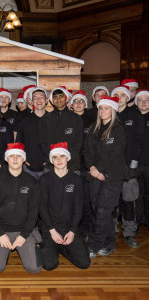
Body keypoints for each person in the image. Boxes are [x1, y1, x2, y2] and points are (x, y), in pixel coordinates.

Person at [0, 143, 42, 275]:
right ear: (6, 159)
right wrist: (0, 233)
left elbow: (34, 212)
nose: (15, 159)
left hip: (23, 231)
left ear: (23, 159)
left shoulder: (31, 182)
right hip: (2, 231)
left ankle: (32, 242)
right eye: (12, 156)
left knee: (34, 269)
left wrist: (24, 235)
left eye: (18, 156)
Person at [83, 95, 127, 258]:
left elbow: (114, 154)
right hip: (95, 175)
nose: (103, 111)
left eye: (106, 108)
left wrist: (99, 170)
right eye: (101, 108)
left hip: (112, 177)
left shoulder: (119, 128)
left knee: (102, 211)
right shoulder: (94, 127)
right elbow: (86, 151)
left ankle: (93, 246)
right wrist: (92, 168)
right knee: (98, 210)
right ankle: (109, 244)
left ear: (113, 110)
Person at [39, 142, 90, 270]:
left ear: (68, 157)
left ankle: (62, 247)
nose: (59, 160)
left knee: (84, 263)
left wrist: (72, 231)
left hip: (69, 227)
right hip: (50, 228)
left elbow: (79, 208)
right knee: (49, 265)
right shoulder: (44, 179)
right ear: (51, 160)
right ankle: (53, 246)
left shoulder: (76, 180)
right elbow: (42, 207)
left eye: (62, 156)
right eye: (55, 157)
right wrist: (52, 231)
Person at [111, 85, 144, 248]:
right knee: (111, 202)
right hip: (111, 168)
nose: (119, 97)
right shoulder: (108, 114)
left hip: (129, 167)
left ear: (127, 97)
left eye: (122, 95)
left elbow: (139, 142)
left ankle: (129, 233)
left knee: (129, 202)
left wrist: (133, 164)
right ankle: (111, 231)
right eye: (115, 95)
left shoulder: (135, 115)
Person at [39, 86, 83, 173]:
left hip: (72, 166)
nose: (58, 100)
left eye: (61, 96)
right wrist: (53, 158)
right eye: (55, 97)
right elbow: (42, 143)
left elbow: (78, 143)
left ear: (66, 98)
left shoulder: (76, 118)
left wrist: (66, 158)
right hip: (51, 166)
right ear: (52, 100)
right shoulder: (45, 119)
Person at [70, 90, 93, 239]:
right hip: (71, 166)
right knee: (71, 199)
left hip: (88, 167)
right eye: (75, 101)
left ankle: (85, 228)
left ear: (85, 103)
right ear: (71, 104)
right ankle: (72, 227)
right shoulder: (67, 119)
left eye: (81, 101)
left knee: (86, 200)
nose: (78, 103)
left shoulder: (93, 118)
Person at [16, 87, 48, 180]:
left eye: (41, 97)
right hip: (28, 168)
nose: (38, 100)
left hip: (49, 168)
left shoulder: (53, 120)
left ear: (46, 100)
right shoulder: (24, 122)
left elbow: (57, 143)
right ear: (31, 101)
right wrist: (24, 159)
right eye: (35, 97)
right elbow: (19, 143)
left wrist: (49, 160)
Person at [135, 90, 149, 235]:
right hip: (136, 165)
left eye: (147, 99)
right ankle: (137, 223)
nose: (144, 102)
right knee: (136, 197)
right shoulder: (132, 117)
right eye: (141, 100)